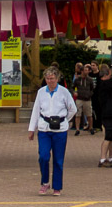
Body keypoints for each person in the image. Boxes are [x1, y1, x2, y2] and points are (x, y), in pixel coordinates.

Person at [28, 65, 77, 195]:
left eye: (52, 78)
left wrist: (64, 119)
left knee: (58, 159)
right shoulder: (41, 92)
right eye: (48, 78)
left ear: (57, 78)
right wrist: (32, 129)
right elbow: (36, 110)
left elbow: (73, 109)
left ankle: (57, 186)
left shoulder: (64, 92)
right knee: (43, 156)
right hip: (44, 128)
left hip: (60, 129)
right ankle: (45, 182)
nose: (50, 81)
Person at [72, 61, 96, 135]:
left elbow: (92, 89)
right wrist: (74, 92)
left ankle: (91, 127)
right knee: (78, 114)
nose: (87, 72)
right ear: (82, 71)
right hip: (79, 98)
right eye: (85, 70)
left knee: (89, 114)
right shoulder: (77, 80)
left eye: (87, 70)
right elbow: (73, 87)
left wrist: (89, 94)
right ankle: (77, 129)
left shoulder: (90, 80)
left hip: (87, 99)